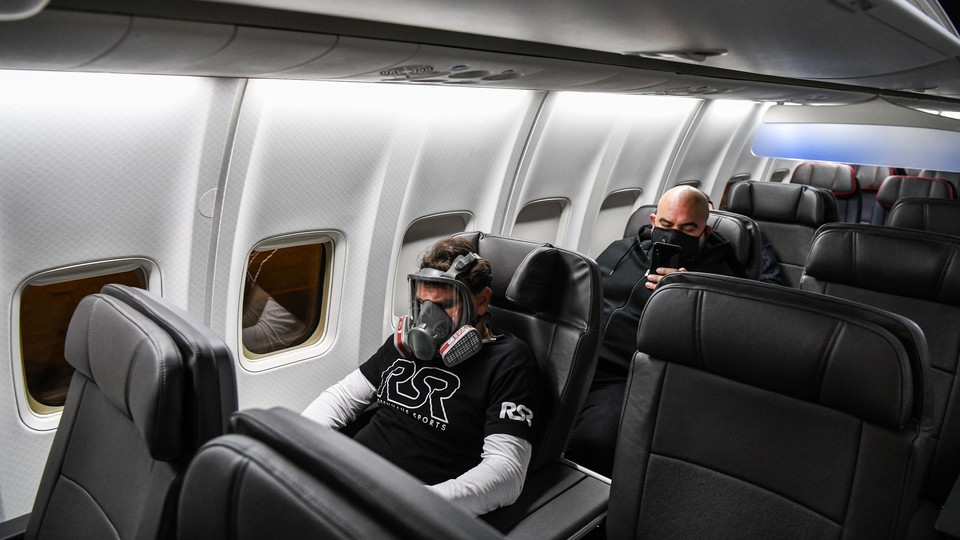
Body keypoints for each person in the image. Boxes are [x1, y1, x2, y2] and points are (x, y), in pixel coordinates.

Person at [302, 237, 540, 515]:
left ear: (482, 301)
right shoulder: (405, 343)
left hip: (411, 506)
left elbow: (507, 471)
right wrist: (298, 439)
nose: (428, 318)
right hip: (349, 476)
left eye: (444, 305)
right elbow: (343, 397)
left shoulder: (509, 361)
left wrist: (418, 503)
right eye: (422, 303)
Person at [565, 185, 745, 477]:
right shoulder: (621, 250)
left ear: (705, 233)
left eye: (688, 228)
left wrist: (690, 294)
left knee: (595, 439)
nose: (674, 235)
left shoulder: (720, 279)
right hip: (581, 357)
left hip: (631, 375)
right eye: (665, 225)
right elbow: (583, 297)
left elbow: (727, 344)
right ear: (652, 222)